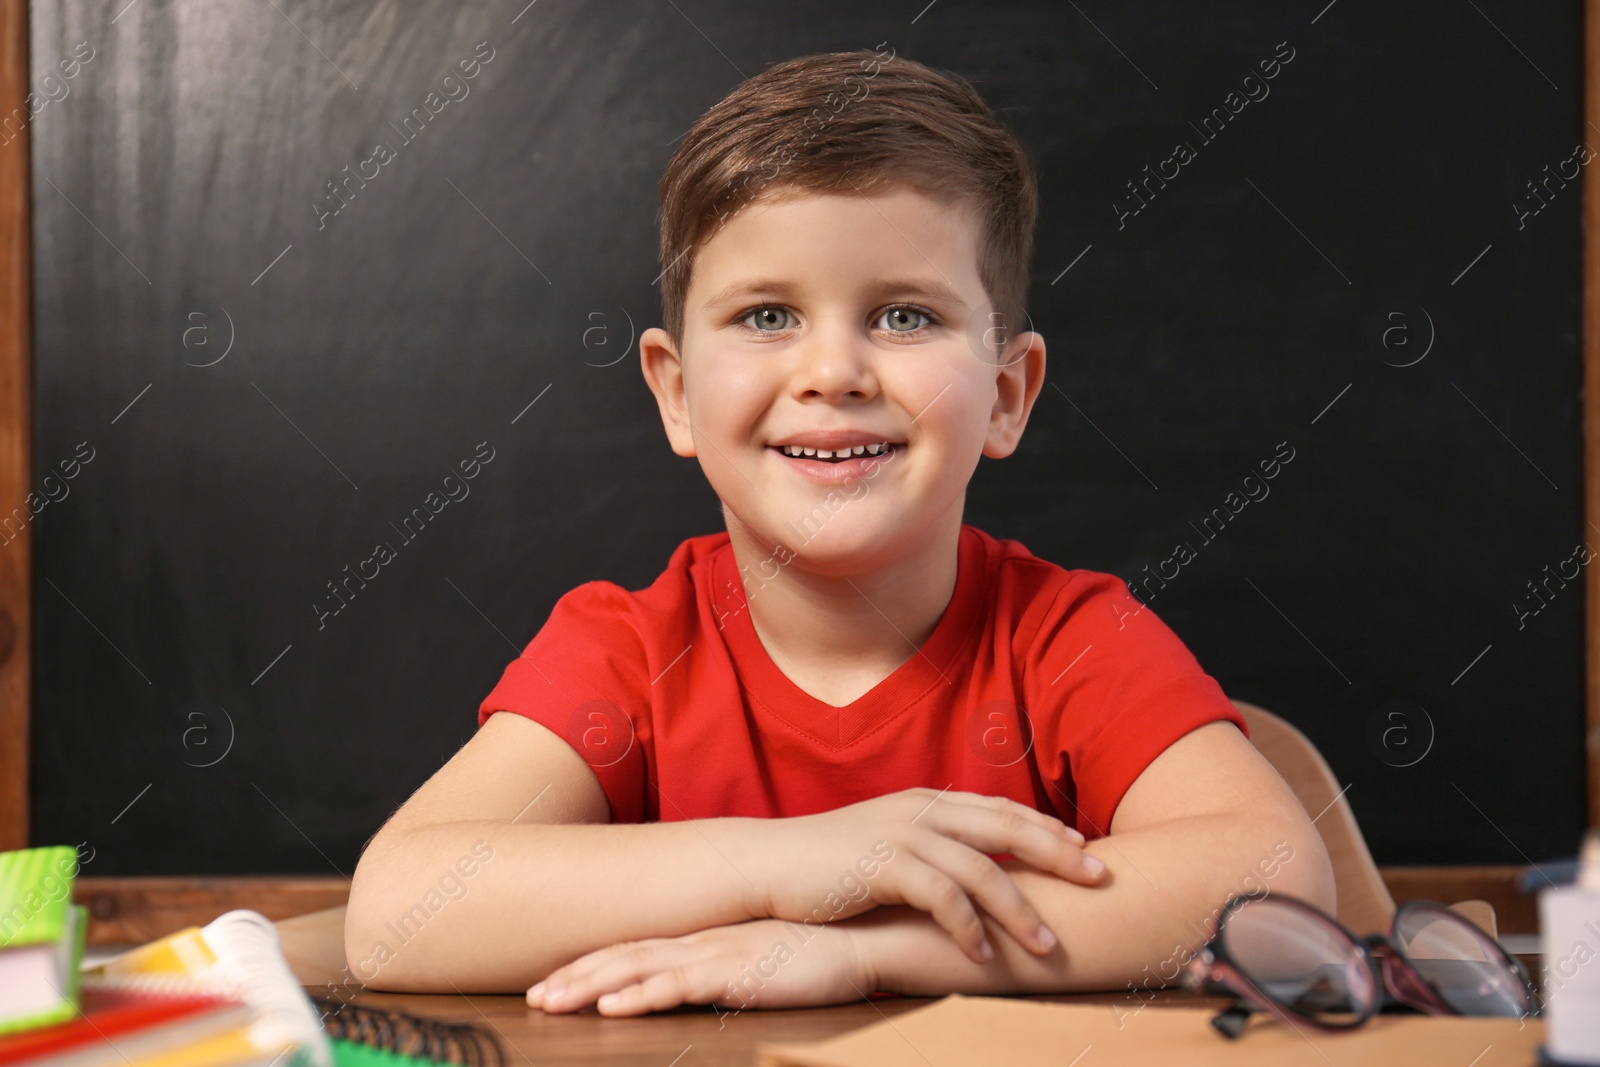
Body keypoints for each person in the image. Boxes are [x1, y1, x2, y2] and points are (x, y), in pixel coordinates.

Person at [343, 46, 1334, 1012]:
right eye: (768, 315)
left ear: (1004, 394)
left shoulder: (1068, 640)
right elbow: (397, 908)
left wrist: (861, 951)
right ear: (677, 394)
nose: (834, 372)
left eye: (904, 317)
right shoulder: (627, 653)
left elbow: (1277, 882)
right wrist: (793, 859)